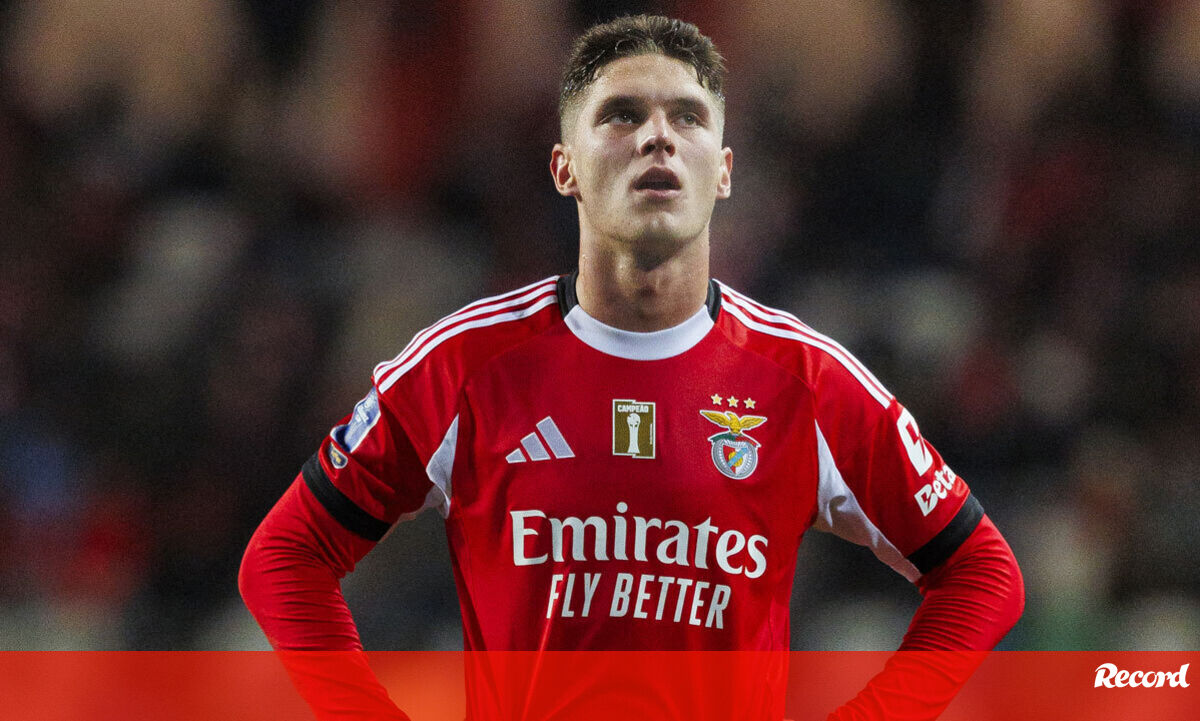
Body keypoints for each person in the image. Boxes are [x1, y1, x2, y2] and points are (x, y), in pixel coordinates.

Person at [240, 14, 1024, 720]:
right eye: (621, 115)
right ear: (564, 168)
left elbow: (983, 573)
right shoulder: (464, 366)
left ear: (723, 170)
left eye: (688, 117)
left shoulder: (807, 380)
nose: (658, 138)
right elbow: (284, 558)